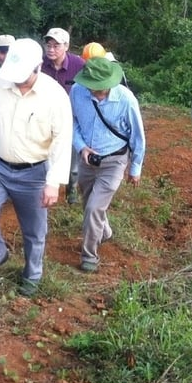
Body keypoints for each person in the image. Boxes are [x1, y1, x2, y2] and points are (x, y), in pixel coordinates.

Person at [0, 38, 72, 296]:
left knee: (34, 231)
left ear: (38, 67)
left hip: (34, 174)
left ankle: (32, 274)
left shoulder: (54, 95)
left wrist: (53, 182)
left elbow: (62, 139)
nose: (15, 80)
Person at [70, 57, 146, 273]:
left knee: (94, 207)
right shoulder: (77, 92)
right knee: (88, 204)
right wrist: (81, 146)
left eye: (100, 89)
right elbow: (72, 121)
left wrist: (135, 168)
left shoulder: (126, 100)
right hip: (87, 160)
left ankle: (89, 255)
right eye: (92, 88)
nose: (95, 93)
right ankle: (104, 232)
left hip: (114, 161)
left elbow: (138, 137)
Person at [41, 28, 86, 203]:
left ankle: (71, 187)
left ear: (66, 46)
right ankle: (45, 184)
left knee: (73, 155)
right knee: (45, 151)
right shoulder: (40, 65)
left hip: (70, 117)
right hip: (44, 116)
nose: (51, 49)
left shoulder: (79, 65)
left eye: (56, 45)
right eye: (49, 45)